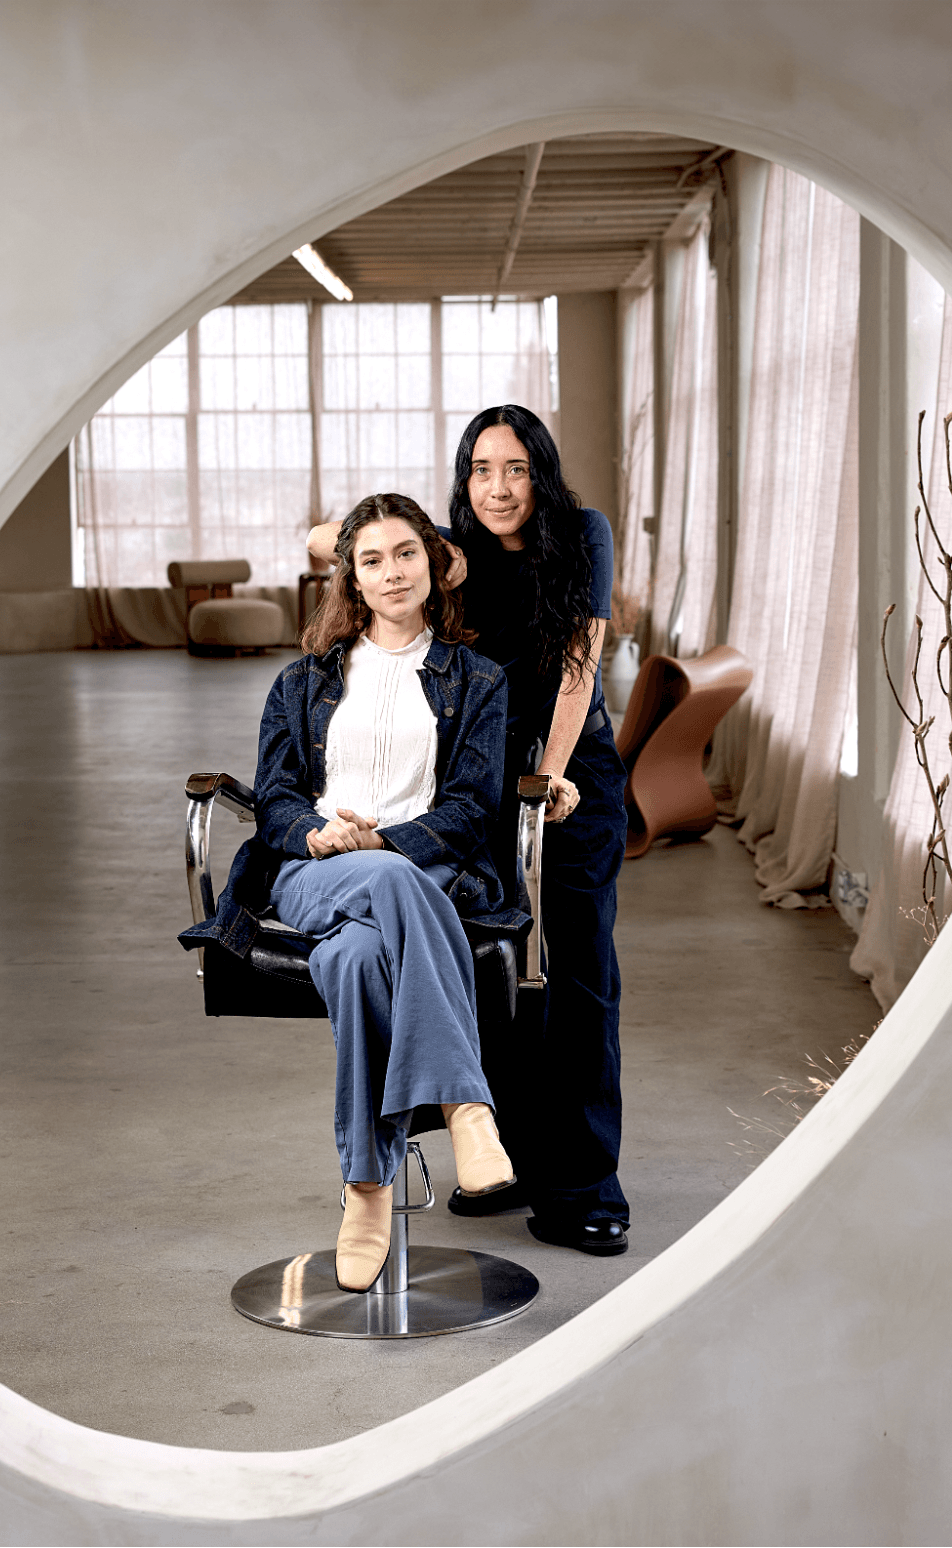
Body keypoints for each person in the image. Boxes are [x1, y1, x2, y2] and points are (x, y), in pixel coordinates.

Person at [180, 493, 524, 1293]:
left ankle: (365, 1190)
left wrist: (386, 841)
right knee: (383, 887)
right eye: (371, 559)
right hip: (312, 873)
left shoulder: (477, 679)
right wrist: (316, 833)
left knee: (361, 957)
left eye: (405, 553)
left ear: (433, 566)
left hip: (423, 871)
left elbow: (473, 807)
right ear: (351, 579)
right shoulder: (302, 682)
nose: (391, 571)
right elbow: (275, 798)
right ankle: (466, 1108)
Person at [308, 405, 631, 1258]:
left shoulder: (582, 535)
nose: (498, 487)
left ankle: (587, 1184)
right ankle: (512, 1159)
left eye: (516, 468)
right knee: (488, 967)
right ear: (463, 477)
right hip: (476, 784)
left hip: (567, 780)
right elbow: (329, 542)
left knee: (579, 973)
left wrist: (551, 776)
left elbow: (576, 663)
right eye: (481, 469)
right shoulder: (451, 548)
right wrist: (398, 541)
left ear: (542, 473)